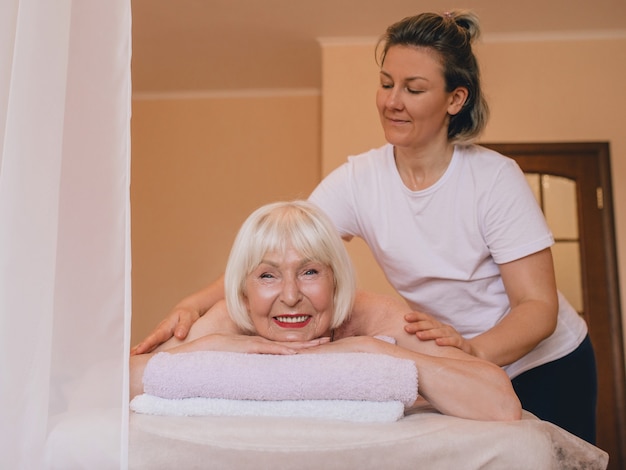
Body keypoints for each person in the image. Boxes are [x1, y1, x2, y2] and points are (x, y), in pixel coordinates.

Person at [132, 11, 597, 443]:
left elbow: (538, 308)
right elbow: (286, 250)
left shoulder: (493, 180)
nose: (393, 102)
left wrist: (469, 355)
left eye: (413, 89)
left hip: (545, 361)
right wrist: (192, 306)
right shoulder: (359, 180)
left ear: (455, 99)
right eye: (386, 83)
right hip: (451, 355)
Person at [130, 201, 521, 422]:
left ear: (336, 280)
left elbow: (500, 404)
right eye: (267, 275)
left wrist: (377, 351)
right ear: (244, 292)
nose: (290, 295)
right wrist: (210, 345)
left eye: (310, 272)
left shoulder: (375, 317)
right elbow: (111, 385)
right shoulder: (229, 320)